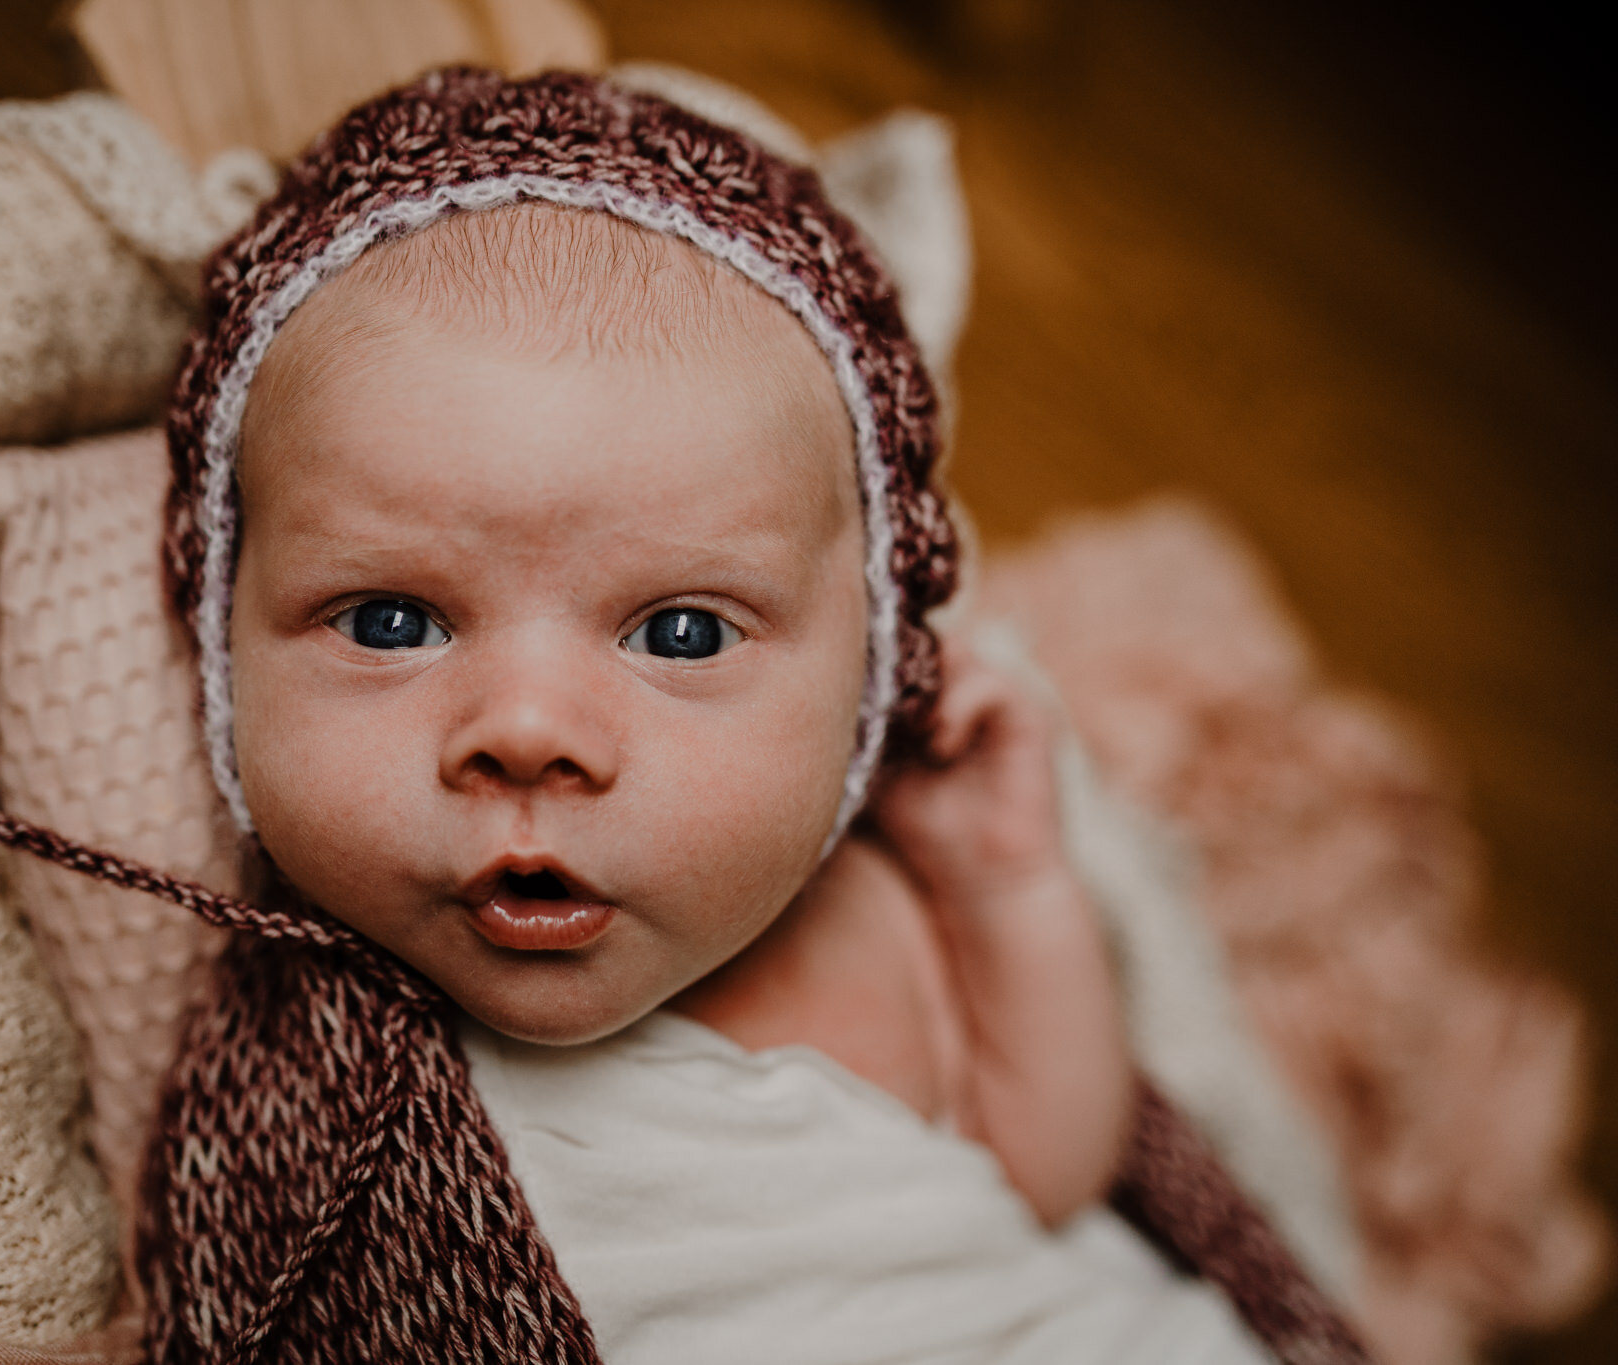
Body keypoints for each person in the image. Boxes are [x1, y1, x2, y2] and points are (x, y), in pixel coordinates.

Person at [146, 66, 1291, 1363]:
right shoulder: (294, 1096)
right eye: (390, 621)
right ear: (218, 626)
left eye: (680, 633)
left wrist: (1010, 881)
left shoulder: (869, 919)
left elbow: (1054, 1173)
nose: (526, 730)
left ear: (870, 686)